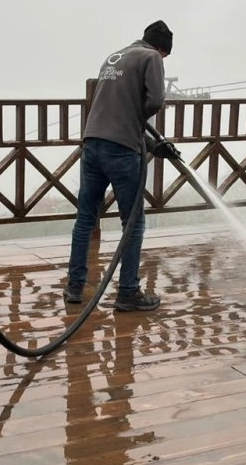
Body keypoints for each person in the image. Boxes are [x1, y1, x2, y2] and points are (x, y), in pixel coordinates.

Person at [65, 20, 173, 312]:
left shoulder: (114, 56)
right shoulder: (151, 57)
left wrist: (149, 142)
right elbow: (156, 101)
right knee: (133, 223)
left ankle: (74, 287)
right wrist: (141, 122)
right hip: (122, 151)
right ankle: (127, 292)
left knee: (85, 219)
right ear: (162, 49)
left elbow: (116, 107)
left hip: (92, 143)